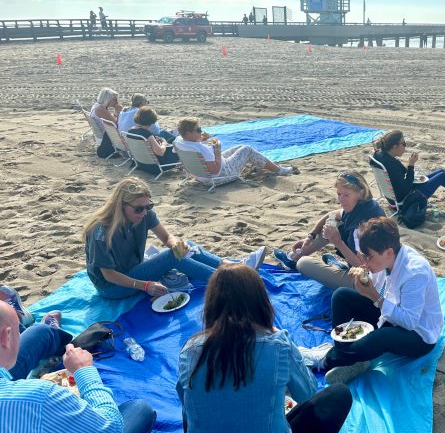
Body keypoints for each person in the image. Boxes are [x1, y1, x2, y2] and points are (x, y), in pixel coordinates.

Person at [174, 264, 352, 433]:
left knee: (196, 401)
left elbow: (186, 401)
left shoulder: (191, 350)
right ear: (261, 302)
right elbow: (308, 394)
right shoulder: (278, 345)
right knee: (338, 395)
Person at [0, 300, 156, 433]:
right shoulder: (37, 398)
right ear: (6, 337)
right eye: (17, 333)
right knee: (139, 410)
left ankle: (53, 337)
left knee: (41, 333)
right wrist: (85, 372)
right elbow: (111, 431)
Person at [300, 217, 444, 385]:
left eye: (368, 257)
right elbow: (379, 287)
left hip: (418, 335)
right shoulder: (386, 259)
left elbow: (409, 322)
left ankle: (328, 359)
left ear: (388, 252)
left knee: (381, 337)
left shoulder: (415, 273)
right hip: (391, 315)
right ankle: (350, 357)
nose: (365, 262)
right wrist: (364, 281)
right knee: (341, 296)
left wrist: (375, 296)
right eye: (364, 256)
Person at [82, 177, 267, 299]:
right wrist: (145, 286)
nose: (144, 212)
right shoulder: (101, 231)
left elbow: (166, 237)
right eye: (138, 208)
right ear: (120, 205)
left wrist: (177, 244)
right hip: (111, 286)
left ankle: (230, 266)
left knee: (185, 247)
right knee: (173, 257)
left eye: (149, 206)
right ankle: (229, 283)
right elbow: (109, 275)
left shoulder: (144, 214)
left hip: (133, 268)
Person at [273, 172, 385, 289]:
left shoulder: (363, 225)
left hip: (368, 282)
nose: (341, 200)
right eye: (339, 194)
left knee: (303, 264)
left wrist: (337, 242)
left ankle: (339, 270)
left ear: (361, 193)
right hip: (365, 268)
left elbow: (363, 266)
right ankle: (294, 257)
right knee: (332, 224)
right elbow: (330, 215)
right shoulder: (364, 205)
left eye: (346, 195)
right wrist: (311, 235)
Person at [173, 118, 294, 185]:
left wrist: (202, 139)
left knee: (240, 147)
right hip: (218, 176)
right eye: (198, 130)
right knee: (247, 149)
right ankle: (279, 170)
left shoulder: (179, 141)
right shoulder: (201, 149)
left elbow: (195, 148)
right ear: (189, 133)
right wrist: (217, 151)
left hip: (199, 175)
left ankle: (271, 166)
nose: (201, 131)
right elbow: (215, 170)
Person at [371, 130, 445, 206]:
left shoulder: (379, 155)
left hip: (393, 196)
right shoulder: (391, 164)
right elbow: (406, 187)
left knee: (441, 171)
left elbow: (400, 178)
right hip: (405, 200)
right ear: (394, 146)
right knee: (442, 177)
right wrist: (411, 165)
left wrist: (408, 167)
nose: (405, 146)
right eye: (403, 143)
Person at [126, 106, 180, 175]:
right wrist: (164, 143)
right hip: (154, 167)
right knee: (177, 143)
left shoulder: (130, 131)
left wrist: (155, 140)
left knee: (168, 137)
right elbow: (160, 152)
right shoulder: (147, 135)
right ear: (152, 120)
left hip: (140, 163)